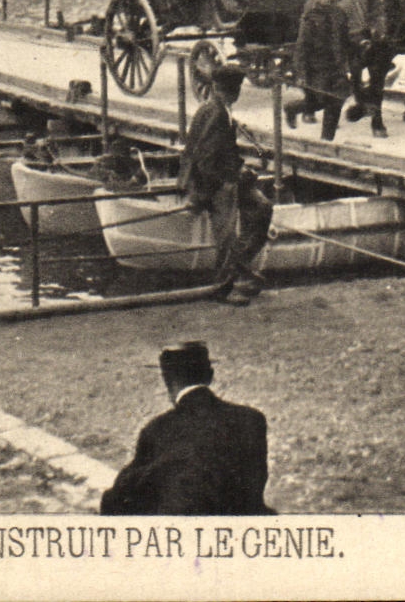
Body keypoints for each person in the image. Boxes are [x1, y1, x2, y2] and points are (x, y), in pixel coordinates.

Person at [100, 341, 275, 516]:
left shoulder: (156, 430)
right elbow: (255, 484)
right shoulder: (251, 419)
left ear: (167, 379)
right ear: (210, 375)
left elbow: (123, 494)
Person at [180, 66, 273, 305]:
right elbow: (207, 160)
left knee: (262, 208)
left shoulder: (219, 110)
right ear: (234, 91)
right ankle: (223, 288)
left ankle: (239, 266)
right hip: (212, 183)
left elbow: (222, 152)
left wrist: (240, 169)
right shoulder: (216, 114)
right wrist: (231, 179)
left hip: (223, 176)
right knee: (227, 234)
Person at [285, 0, 353, 141]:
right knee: (318, 102)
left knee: (336, 100)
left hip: (336, 66)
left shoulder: (339, 14)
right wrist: (301, 75)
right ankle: (292, 108)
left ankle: (326, 139)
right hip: (316, 68)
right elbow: (302, 47)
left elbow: (345, 38)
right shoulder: (311, 17)